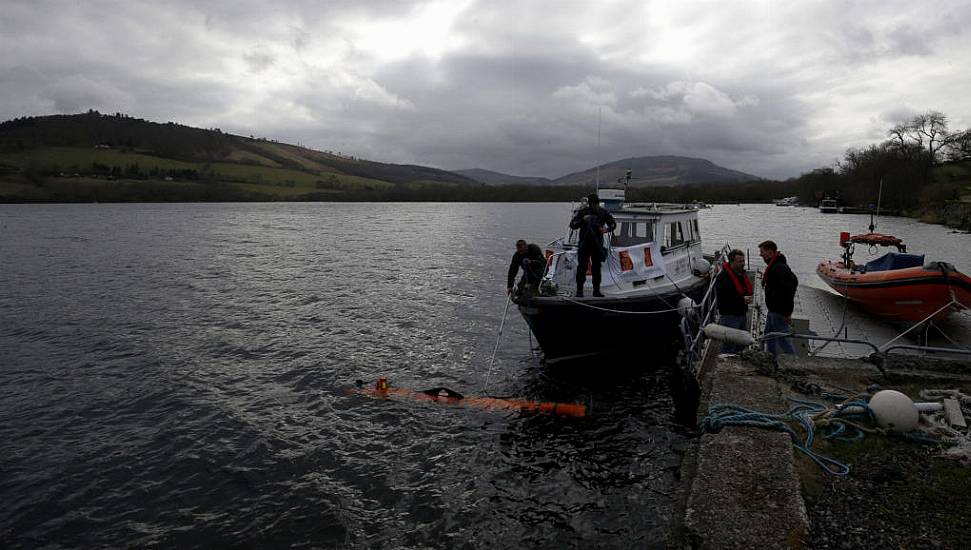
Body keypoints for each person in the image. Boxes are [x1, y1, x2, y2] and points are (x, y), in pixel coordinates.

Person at [569, 193, 616, 297]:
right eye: (593, 204)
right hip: (584, 244)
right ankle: (579, 290)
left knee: (596, 268)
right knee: (582, 268)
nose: (595, 206)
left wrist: (606, 229)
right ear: (590, 204)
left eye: (596, 204)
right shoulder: (582, 212)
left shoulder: (603, 212)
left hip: (597, 245)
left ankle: (596, 290)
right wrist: (582, 220)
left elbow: (613, 224)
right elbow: (572, 225)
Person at [758, 240, 798, 355]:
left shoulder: (779, 268)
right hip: (773, 310)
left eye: (762, 252)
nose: (760, 255)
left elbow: (788, 291)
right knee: (768, 336)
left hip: (779, 311)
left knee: (782, 338)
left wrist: (787, 313)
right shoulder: (777, 266)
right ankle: (771, 358)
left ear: (770, 252)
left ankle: (794, 362)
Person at [714, 249, 753, 353]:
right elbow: (724, 297)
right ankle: (725, 365)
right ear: (732, 262)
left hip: (741, 314)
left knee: (741, 343)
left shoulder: (740, 274)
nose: (743, 264)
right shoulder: (723, 277)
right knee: (729, 345)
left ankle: (738, 361)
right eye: (740, 261)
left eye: (743, 261)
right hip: (729, 316)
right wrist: (742, 299)